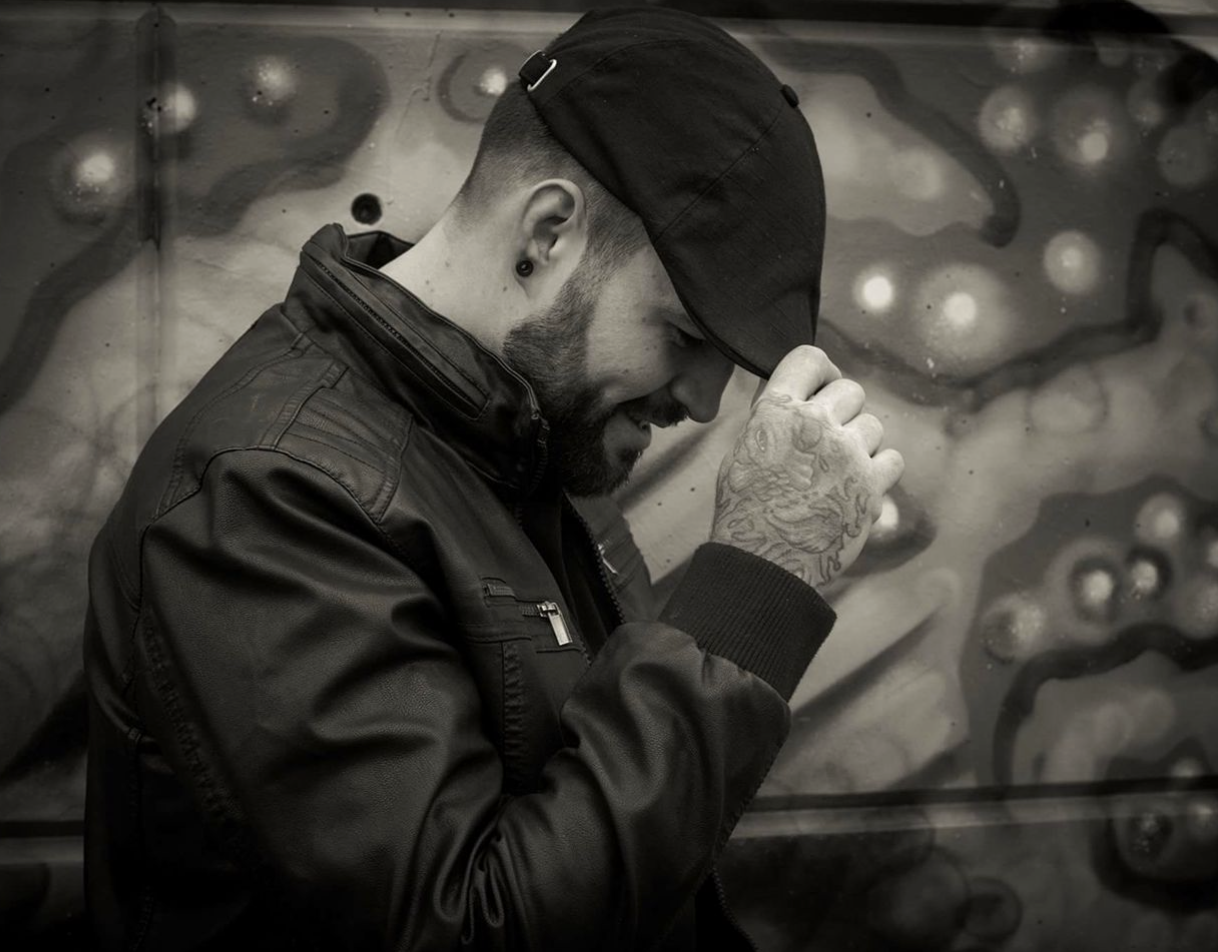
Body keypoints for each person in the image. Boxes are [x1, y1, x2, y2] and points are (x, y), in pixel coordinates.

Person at [83, 7, 904, 950]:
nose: (708, 403)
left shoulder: (540, 442)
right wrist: (754, 589)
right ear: (548, 232)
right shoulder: (265, 494)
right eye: (684, 336)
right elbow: (464, 928)